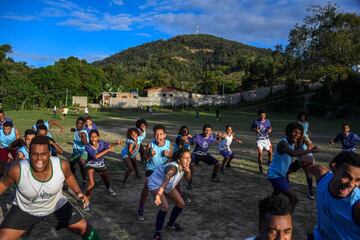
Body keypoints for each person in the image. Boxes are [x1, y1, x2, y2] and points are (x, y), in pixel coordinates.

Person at [0, 136, 100, 239]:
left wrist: (78, 192)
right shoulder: (17, 170)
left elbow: (69, 176)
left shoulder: (62, 165)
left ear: (50, 153)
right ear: (29, 153)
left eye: (43, 154)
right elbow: (2, 185)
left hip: (56, 207)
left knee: (87, 230)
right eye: (35, 154)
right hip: (25, 209)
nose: (39, 158)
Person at [307, 151, 360, 239]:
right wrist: (306, 162)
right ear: (334, 167)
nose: (352, 184)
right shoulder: (322, 177)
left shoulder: (356, 206)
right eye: (346, 176)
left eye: (358, 180)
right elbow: (314, 168)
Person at [267, 122, 319, 210]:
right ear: (288, 131)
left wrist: (310, 152)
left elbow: (300, 152)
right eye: (294, 132)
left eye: (299, 133)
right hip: (275, 175)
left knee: (276, 194)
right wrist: (310, 151)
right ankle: (286, 218)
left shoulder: (293, 144)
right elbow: (293, 153)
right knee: (294, 198)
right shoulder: (283, 143)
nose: (296, 135)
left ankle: (266, 209)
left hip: (281, 175)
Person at [148, 149, 192, 240]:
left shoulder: (184, 166)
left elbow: (188, 179)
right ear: (179, 160)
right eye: (186, 158)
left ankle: (170, 225)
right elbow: (165, 181)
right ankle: (157, 235)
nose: (188, 160)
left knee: (181, 204)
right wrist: (158, 195)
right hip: (156, 184)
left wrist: (188, 171)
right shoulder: (172, 168)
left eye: (190, 157)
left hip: (168, 186)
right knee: (165, 207)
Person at [137, 124, 172, 221]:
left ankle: (174, 197)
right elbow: (143, 158)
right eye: (156, 134)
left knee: (169, 184)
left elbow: (172, 157)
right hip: (151, 168)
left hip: (163, 169)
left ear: (164, 135)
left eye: (161, 134)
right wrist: (149, 154)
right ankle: (141, 207)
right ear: (154, 135)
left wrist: (169, 154)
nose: (158, 136)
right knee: (147, 185)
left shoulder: (169, 144)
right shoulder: (150, 144)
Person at [84, 130, 120, 207]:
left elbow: (109, 146)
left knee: (106, 179)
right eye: (91, 137)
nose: (93, 139)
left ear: (98, 137)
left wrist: (116, 143)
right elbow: (95, 156)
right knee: (91, 183)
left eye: (95, 137)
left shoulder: (102, 143)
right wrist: (107, 150)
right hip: (90, 164)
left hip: (100, 164)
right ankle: (86, 202)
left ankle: (108, 188)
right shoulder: (87, 146)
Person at [251, 109, 273, 174]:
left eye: (264, 115)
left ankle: (270, 165)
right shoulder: (256, 122)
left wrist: (270, 130)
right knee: (260, 154)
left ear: (265, 115)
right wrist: (255, 130)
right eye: (261, 115)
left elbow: (270, 128)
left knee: (270, 152)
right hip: (259, 139)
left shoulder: (268, 121)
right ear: (259, 115)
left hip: (266, 139)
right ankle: (260, 168)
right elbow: (251, 128)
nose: (263, 116)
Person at [70, 117, 88, 189]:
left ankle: (84, 181)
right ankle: (74, 176)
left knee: (81, 164)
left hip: (83, 152)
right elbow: (74, 129)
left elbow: (85, 142)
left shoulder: (83, 132)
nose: (78, 125)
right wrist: (73, 129)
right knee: (71, 164)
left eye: (80, 124)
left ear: (83, 125)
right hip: (75, 151)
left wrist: (81, 137)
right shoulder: (77, 129)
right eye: (77, 123)